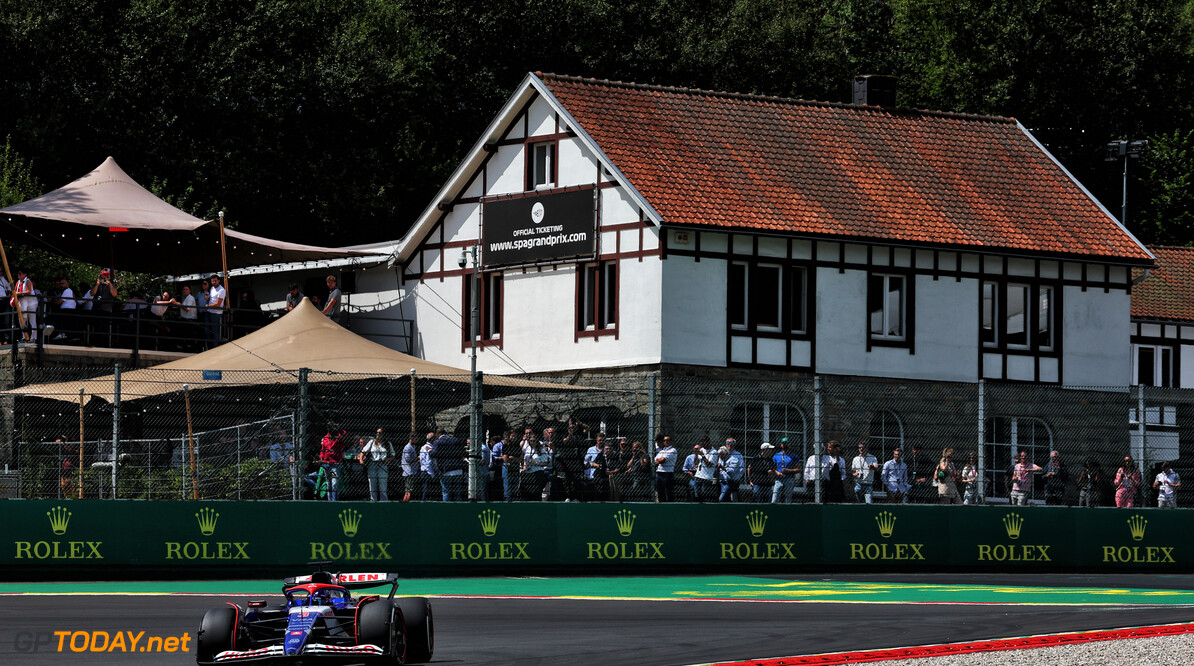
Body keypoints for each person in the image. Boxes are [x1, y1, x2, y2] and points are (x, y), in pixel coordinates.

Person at [307, 425, 346, 501]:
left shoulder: (338, 437)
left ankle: (334, 500)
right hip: (326, 463)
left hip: (335, 463)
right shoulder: (325, 438)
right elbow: (323, 449)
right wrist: (321, 457)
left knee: (334, 483)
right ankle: (330, 500)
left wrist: (339, 429)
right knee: (329, 483)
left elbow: (344, 434)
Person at [430, 427, 466, 502]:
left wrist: (429, 451)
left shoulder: (438, 442)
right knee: (457, 492)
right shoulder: (456, 440)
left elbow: (433, 454)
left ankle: (446, 509)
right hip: (457, 469)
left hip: (445, 470)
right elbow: (463, 452)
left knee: (446, 491)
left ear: (438, 434)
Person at [359, 428, 392, 502]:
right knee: (372, 485)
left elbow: (393, 455)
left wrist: (387, 460)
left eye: (380, 433)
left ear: (383, 434)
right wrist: (361, 459)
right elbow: (363, 451)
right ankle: (373, 501)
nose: (378, 434)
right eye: (377, 432)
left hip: (382, 465)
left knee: (382, 486)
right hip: (373, 464)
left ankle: (384, 501)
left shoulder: (387, 443)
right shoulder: (371, 442)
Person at [522, 435, 552, 501]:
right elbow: (525, 459)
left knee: (536, 492)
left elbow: (546, 462)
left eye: (534, 441)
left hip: (538, 472)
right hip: (529, 472)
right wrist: (524, 466)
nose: (532, 442)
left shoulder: (541, 449)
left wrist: (535, 463)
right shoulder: (528, 448)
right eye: (531, 441)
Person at [771, 438, 799, 504]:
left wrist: (789, 470)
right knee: (775, 498)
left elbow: (799, 469)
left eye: (787, 443)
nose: (785, 445)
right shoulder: (776, 455)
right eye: (783, 444)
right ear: (781, 445)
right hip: (779, 479)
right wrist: (777, 472)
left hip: (789, 479)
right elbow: (771, 467)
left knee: (788, 499)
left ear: (789, 444)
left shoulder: (794, 456)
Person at [718, 438, 746, 502]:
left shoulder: (737, 455)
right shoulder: (722, 453)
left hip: (732, 481)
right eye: (728, 443)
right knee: (727, 499)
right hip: (721, 481)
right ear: (726, 444)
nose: (730, 445)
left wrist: (738, 477)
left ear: (735, 445)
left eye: (732, 443)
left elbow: (736, 470)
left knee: (723, 498)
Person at [14, 268, 37, 340]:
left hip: (31, 302)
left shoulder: (28, 281)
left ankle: (34, 337)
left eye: (20, 273)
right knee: (22, 318)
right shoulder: (18, 282)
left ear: (25, 274)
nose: (19, 275)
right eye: (18, 273)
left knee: (32, 320)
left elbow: (29, 291)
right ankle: (24, 336)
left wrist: (19, 293)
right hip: (23, 302)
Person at [653, 434, 677, 502]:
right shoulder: (662, 451)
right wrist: (658, 461)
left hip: (667, 473)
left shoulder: (673, 450)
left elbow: (662, 460)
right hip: (659, 473)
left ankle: (669, 508)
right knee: (660, 493)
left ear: (671, 442)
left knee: (668, 493)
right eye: (665, 440)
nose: (667, 442)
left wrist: (659, 460)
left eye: (668, 440)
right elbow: (655, 460)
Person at [206, 274, 226, 347]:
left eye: (215, 280)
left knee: (214, 331)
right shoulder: (212, 288)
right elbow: (211, 299)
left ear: (219, 281)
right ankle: (209, 347)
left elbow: (218, 304)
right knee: (207, 331)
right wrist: (207, 299)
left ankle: (215, 347)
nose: (214, 282)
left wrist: (207, 306)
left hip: (216, 313)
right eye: (212, 281)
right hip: (209, 311)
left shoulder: (221, 290)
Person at [400, 433, 419, 502]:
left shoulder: (412, 447)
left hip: (412, 471)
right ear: (411, 438)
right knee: (408, 491)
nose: (417, 440)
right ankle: (405, 504)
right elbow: (408, 459)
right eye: (416, 438)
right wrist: (417, 458)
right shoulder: (408, 447)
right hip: (409, 472)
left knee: (409, 490)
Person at [418, 433, 437, 501]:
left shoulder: (423, 447)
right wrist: (432, 474)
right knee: (428, 491)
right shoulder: (430, 448)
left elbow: (421, 460)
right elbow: (428, 462)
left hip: (423, 470)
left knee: (425, 489)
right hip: (428, 472)